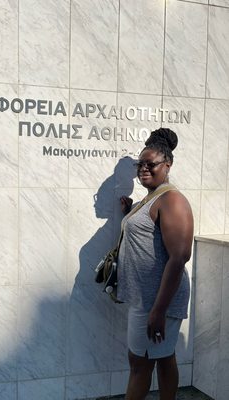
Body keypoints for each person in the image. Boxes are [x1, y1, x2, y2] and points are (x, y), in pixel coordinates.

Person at [117, 128, 193, 400]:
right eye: (141, 165)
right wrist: (129, 212)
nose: (143, 169)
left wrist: (159, 310)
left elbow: (180, 256)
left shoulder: (172, 200)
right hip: (146, 298)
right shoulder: (151, 198)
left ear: (167, 165)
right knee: (162, 357)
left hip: (157, 301)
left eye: (151, 164)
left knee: (139, 364)